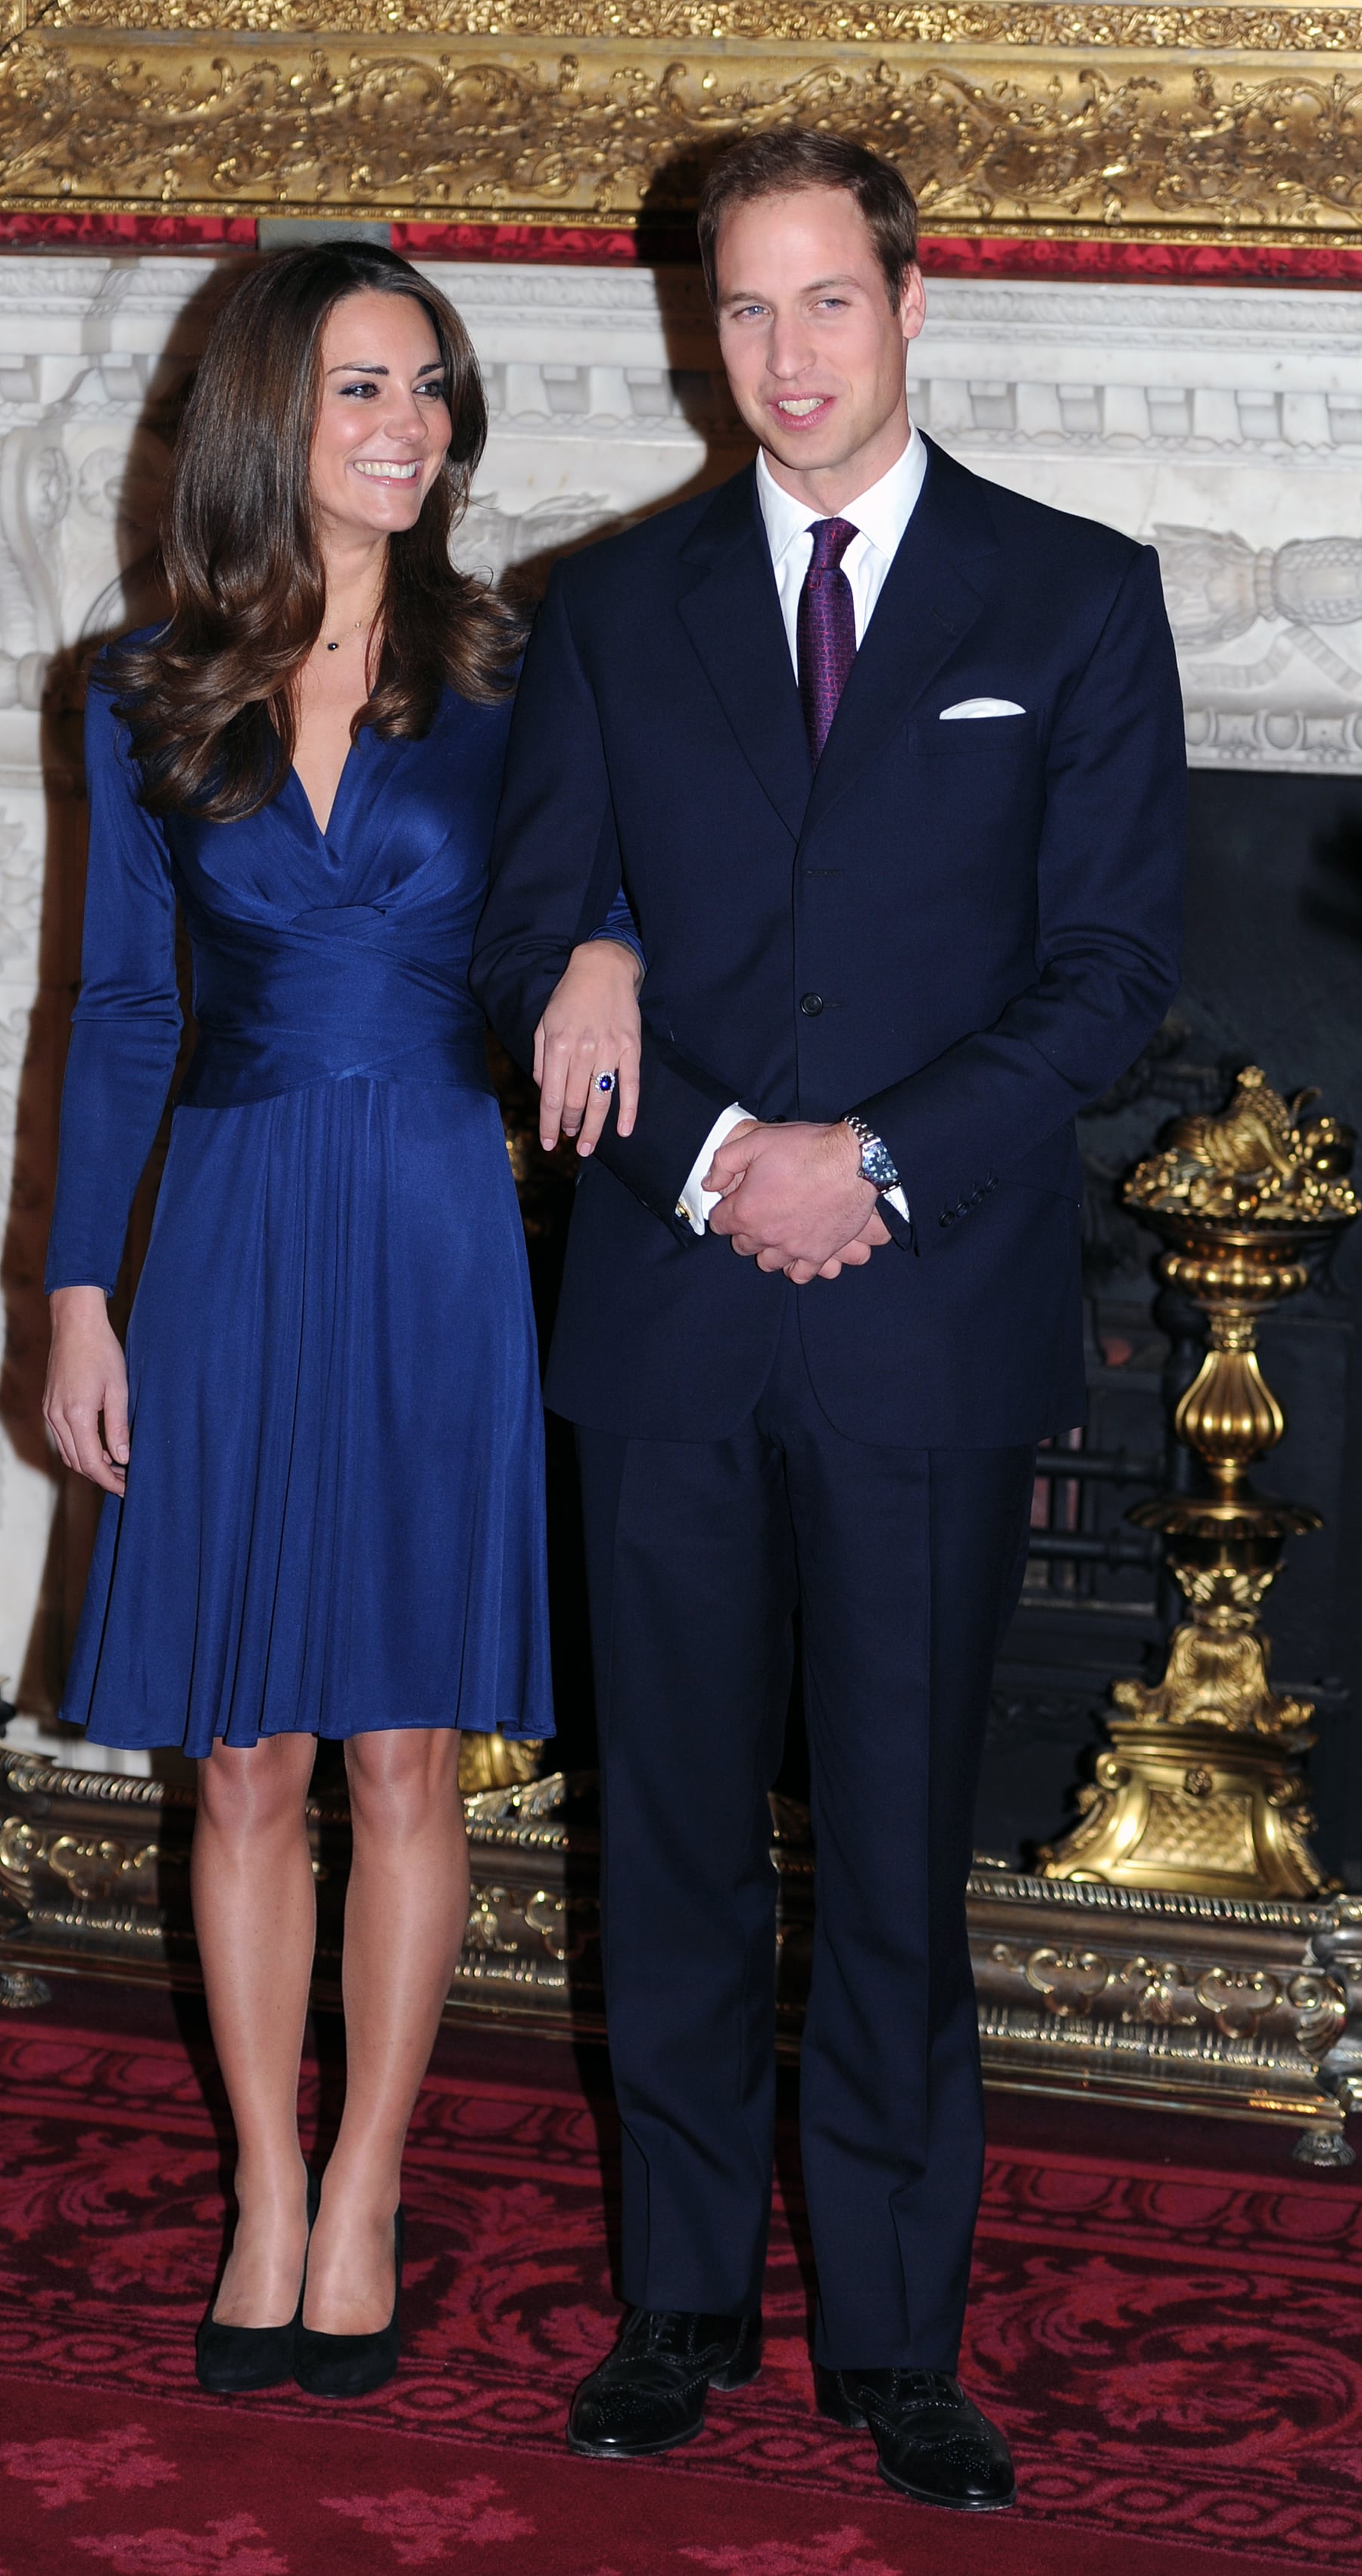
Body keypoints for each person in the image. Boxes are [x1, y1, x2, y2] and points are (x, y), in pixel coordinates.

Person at [472, 131, 1184, 2509]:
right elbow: (531, 933)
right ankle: (681, 2300)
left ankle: (897, 2335)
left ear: (908, 305)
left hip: (926, 1316)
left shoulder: (1074, 601)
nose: (780, 356)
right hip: (668, 1319)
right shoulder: (604, 603)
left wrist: (860, 1160)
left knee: (889, 1850)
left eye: (823, 305)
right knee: (666, 1837)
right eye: (740, 313)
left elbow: (1111, 979)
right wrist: (700, 1149)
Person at [42, 244, 643, 2404]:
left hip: (430, 1220)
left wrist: (615, 953)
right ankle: (265, 2188)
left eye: (435, 392)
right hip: (218, 1223)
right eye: (366, 386)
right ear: (266, 414)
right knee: (239, 1752)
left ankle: (372, 2182)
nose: (413, 429)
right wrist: (79, 1297)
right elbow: (119, 1008)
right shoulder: (138, 685)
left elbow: (630, 864)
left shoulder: (511, 664)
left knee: (400, 1744)